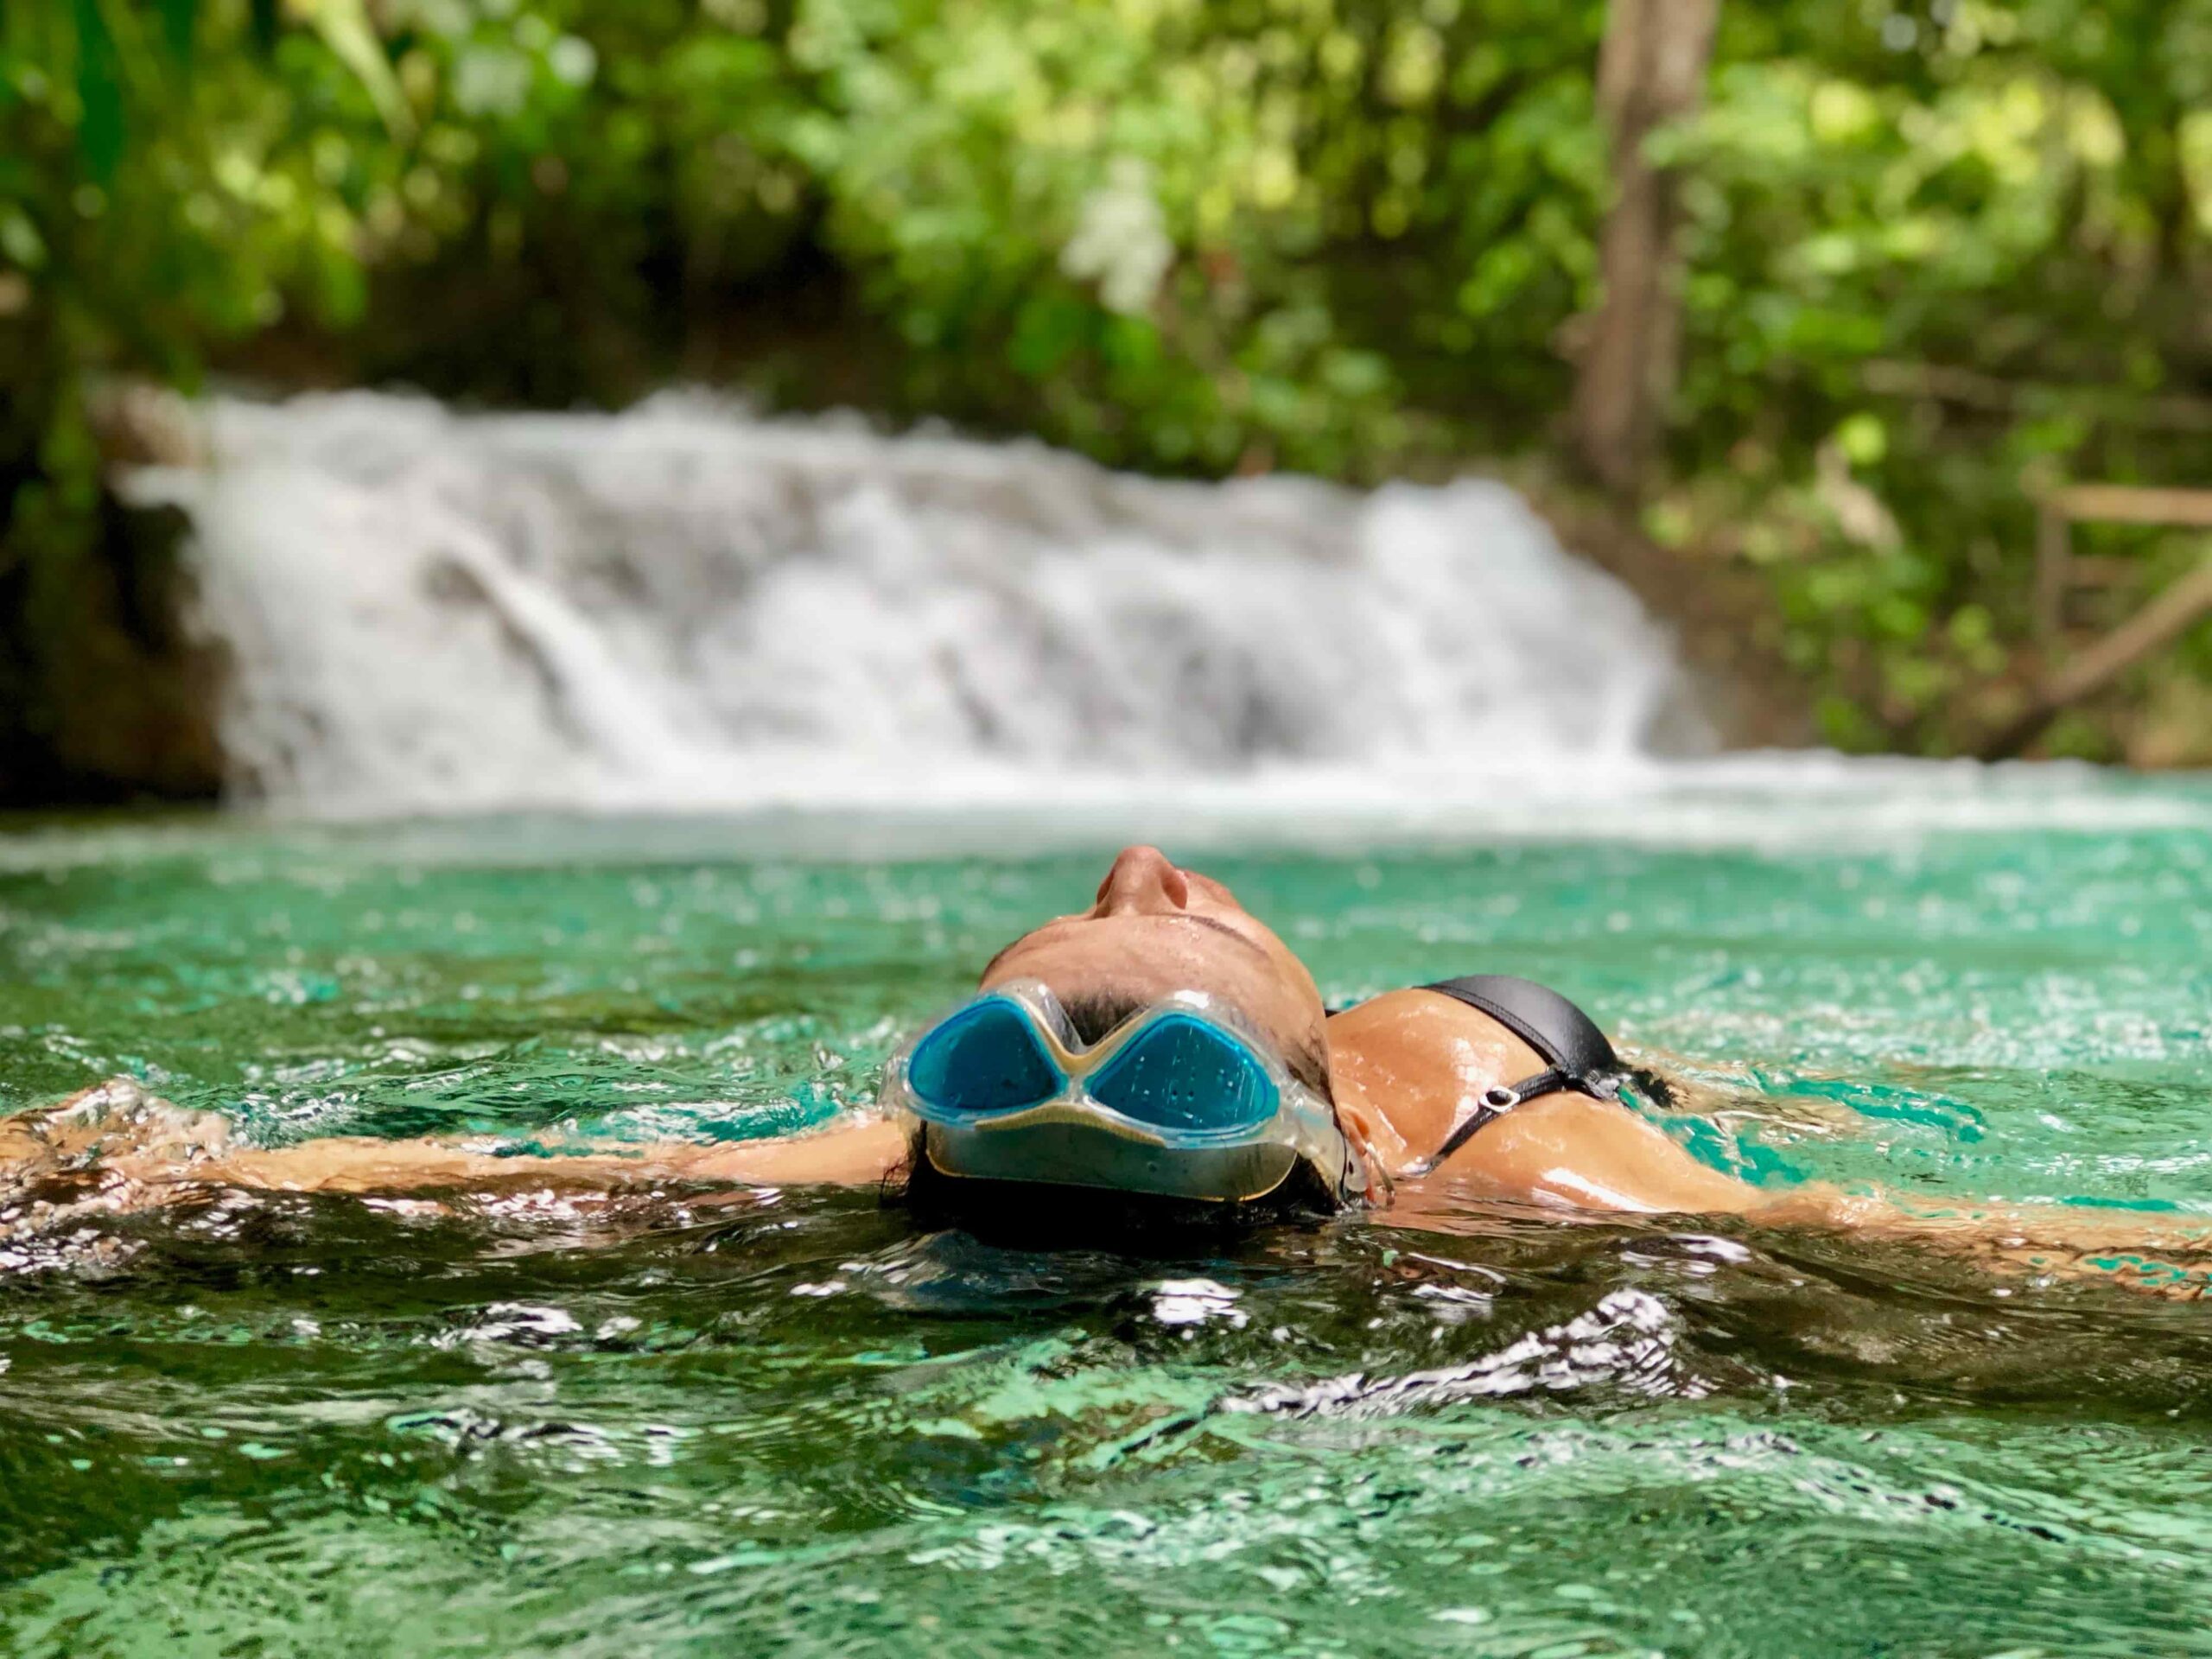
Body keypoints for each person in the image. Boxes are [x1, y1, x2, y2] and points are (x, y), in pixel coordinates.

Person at [4, 846, 2207, 1288]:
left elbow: (449, 1176)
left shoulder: (877, 1146)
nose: (1152, 856)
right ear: (1326, 1106)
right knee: (1763, 1112)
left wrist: (117, 1160)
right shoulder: (1502, 1156)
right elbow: (1916, 1234)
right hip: (1568, 1059)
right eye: (1170, 920)